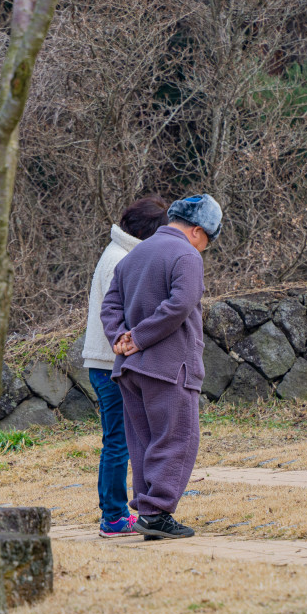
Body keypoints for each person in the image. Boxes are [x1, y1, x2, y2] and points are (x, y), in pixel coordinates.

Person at [100, 194, 222, 539]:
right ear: (197, 231)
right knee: (178, 437)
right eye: (207, 242)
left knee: (143, 441)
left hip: (129, 369)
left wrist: (120, 338)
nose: (204, 249)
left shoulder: (133, 254)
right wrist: (138, 337)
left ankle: (150, 513)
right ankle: (157, 512)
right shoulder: (186, 255)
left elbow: (110, 306)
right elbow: (181, 304)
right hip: (170, 365)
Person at [82, 196, 170, 537]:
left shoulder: (118, 253)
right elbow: (122, 315)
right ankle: (114, 516)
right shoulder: (122, 259)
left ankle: (116, 513)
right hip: (109, 363)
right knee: (118, 441)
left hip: (106, 361)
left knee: (118, 439)